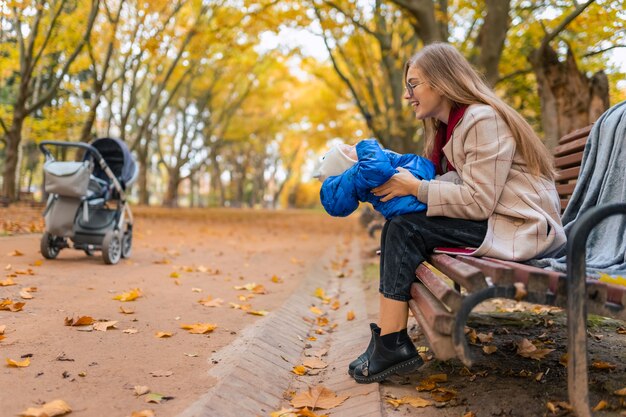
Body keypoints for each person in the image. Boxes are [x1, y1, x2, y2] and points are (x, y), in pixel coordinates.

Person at [350, 43, 566, 384]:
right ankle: (388, 341)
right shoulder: (449, 128)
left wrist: (415, 188)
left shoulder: (483, 119)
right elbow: (453, 185)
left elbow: (478, 200)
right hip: (495, 220)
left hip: (519, 226)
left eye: (413, 83)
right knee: (399, 227)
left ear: (441, 81)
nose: (408, 95)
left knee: (405, 229)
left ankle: (390, 345)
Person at [315, 139, 442, 219]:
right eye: (349, 149)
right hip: (417, 202)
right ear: (348, 166)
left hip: (415, 199)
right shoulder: (363, 174)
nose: (355, 145)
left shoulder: (362, 177)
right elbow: (378, 168)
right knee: (452, 181)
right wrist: (365, 145)